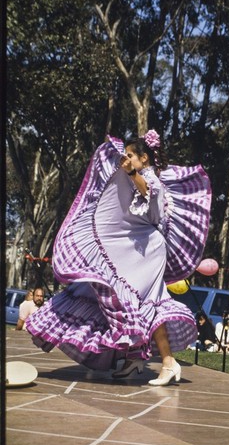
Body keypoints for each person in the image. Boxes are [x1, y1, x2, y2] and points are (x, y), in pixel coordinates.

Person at [26, 130, 211, 386]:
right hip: (133, 245)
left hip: (147, 250)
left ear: (144, 159)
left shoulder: (151, 180)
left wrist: (132, 173)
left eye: (131, 155)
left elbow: (150, 195)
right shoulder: (130, 176)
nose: (127, 159)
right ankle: (136, 357)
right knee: (110, 293)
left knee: (145, 302)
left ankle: (168, 362)